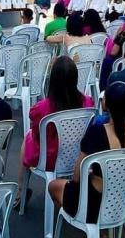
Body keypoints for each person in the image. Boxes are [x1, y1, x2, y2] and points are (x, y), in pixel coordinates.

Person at [48, 82, 125, 225]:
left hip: (92, 203)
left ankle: (82, 230)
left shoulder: (97, 132)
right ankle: (102, 234)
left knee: (53, 186)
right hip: (122, 201)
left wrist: (91, 173)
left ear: (107, 104)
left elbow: (76, 176)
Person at [15, 56, 94, 207]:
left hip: (50, 159)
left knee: (28, 137)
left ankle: (21, 190)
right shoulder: (88, 102)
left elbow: (37, 135)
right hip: (78, 156)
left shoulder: (40, 108)